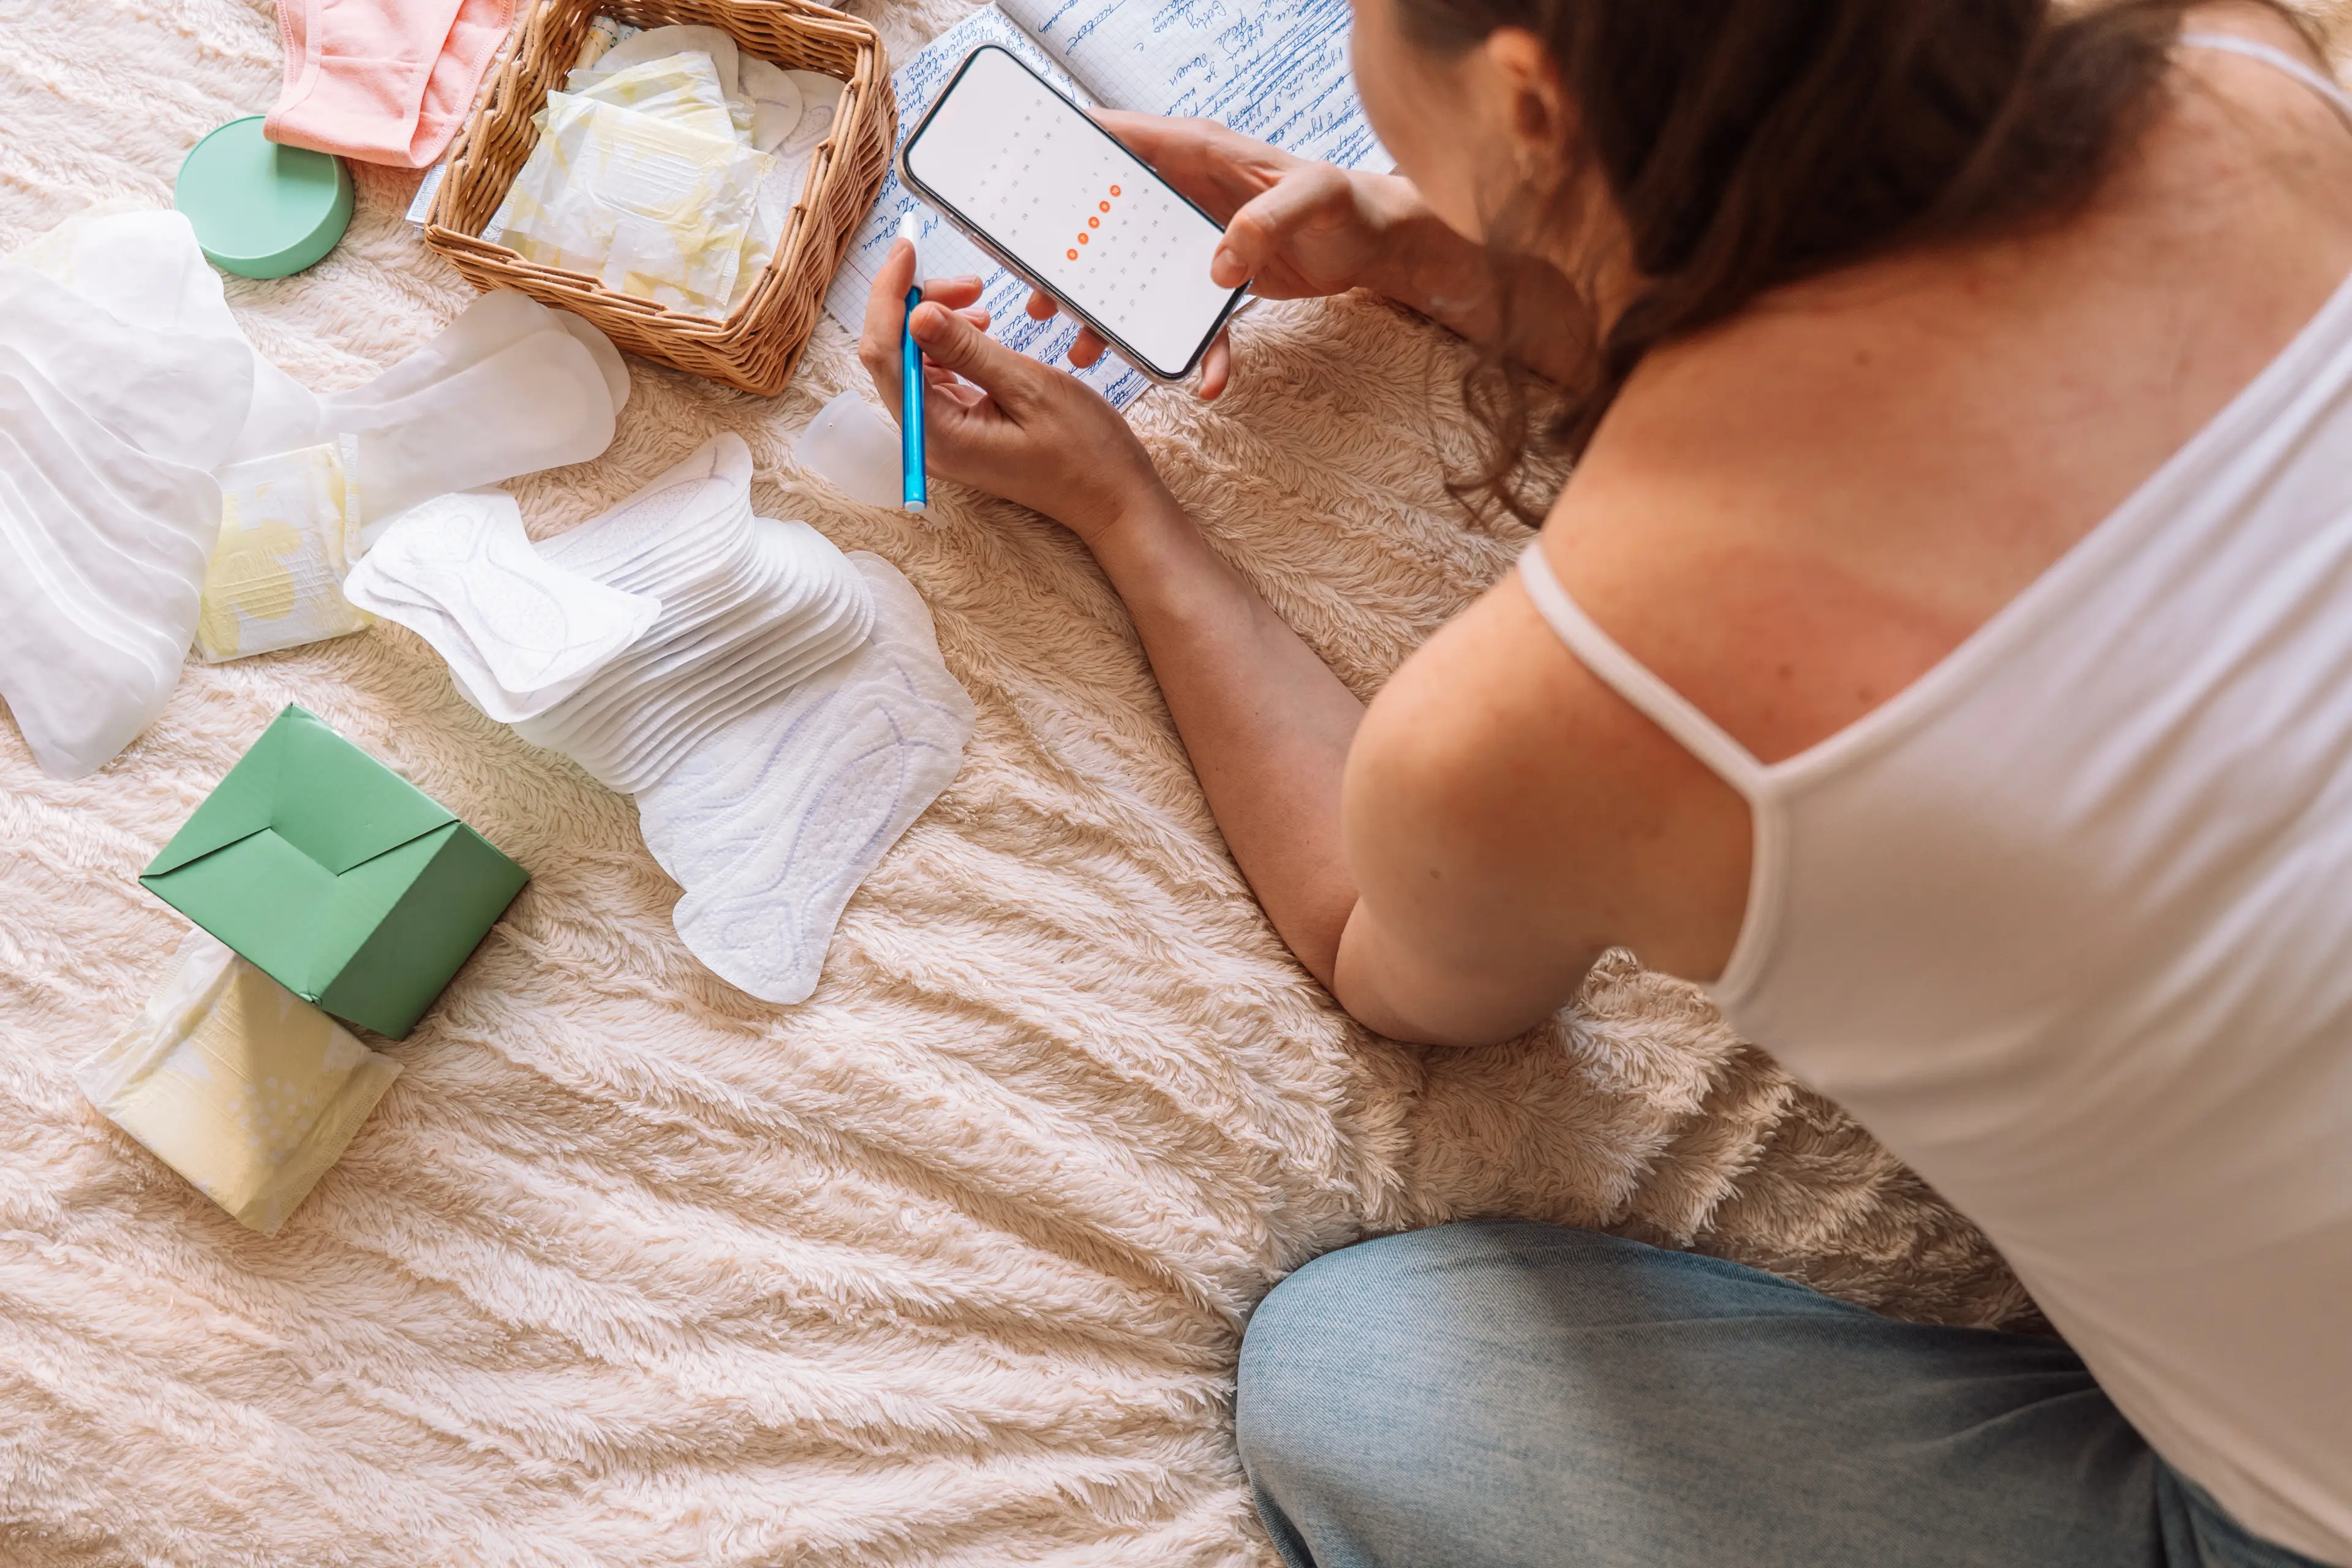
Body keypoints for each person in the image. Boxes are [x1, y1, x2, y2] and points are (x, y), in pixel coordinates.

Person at [859, 0, 2352, 1561]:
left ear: (1530, 100)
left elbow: (1392, 947)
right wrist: (1448, 255)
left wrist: (1133, 517)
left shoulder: (1582, 704)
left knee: (1357, 1382)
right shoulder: (2242, 74)